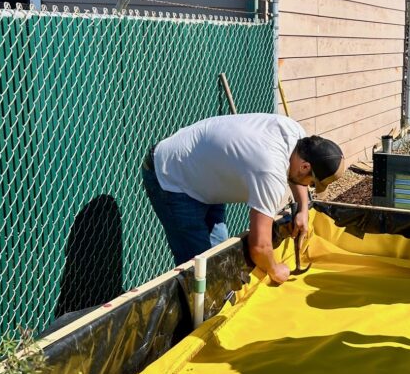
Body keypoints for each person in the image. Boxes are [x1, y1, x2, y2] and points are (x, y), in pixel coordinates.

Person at [142, 113, 345, 283]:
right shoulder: (269, 171)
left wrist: (302, 209)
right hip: (172, 176)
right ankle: (195, 326)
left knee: (220, 256)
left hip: (205, 173)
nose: (308, 187)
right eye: (311, 183)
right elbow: (258, 247)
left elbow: (296, 176)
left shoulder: (297, 136)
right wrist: (275, 269)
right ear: (305, 166)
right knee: (199, 271)